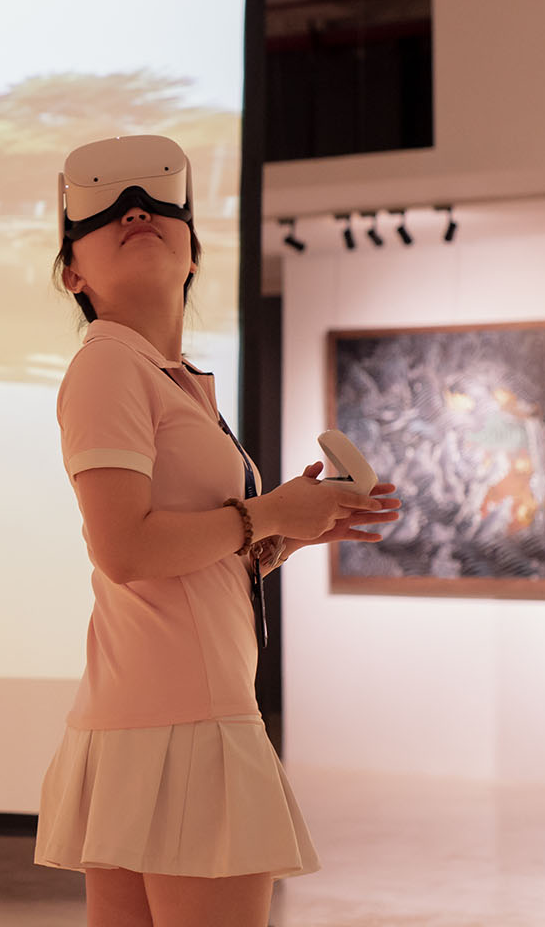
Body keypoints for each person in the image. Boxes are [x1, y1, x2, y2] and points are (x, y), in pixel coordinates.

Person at [33, 135, 401, 927]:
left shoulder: (166, 380)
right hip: (185, 723)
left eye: (163, 204)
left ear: (193, 252)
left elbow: (182, 571)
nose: (138, 210)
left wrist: (289, 533)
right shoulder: (109, 365)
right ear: (74, 274)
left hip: (158, 715)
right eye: (108, 211)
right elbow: (124, 550)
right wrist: (265, 513)